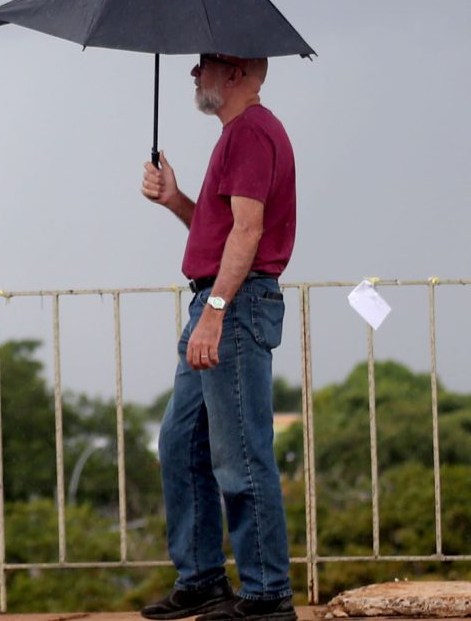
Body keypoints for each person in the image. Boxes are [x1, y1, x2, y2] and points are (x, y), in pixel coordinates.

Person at [137, 53, 297, 621]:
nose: (192, 73)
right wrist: (175, 199)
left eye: (203, 63)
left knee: (239, 455)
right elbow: (222, 229)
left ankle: (266, 594)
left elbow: (249, 233)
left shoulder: (251, 133)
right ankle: (203, 579)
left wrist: (217, 312)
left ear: (234, 71)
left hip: (232, 303)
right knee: (182, 443)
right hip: (219, 300)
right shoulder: (238, 135)